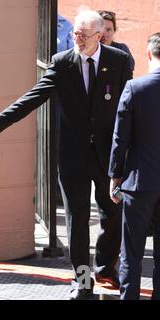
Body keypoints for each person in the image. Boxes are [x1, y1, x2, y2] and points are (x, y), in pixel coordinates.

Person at [0, 10, 132, 300]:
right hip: (73, 157)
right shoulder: (63, 63)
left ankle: (104, 269)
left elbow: (127, 106)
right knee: (77, 219)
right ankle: (82, 283)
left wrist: (129, 149)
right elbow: (34, 96)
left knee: (113, 212)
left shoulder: (118, 61)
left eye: (83, 35)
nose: (77, 38)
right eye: (75, 34)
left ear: (99, 35)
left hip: (109, 156)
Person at [108, 32, 160, 300]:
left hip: (139, 182)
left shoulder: (135, 88)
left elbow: (121, 137)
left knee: (132, 251)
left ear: (149, 55)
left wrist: (114, 176)